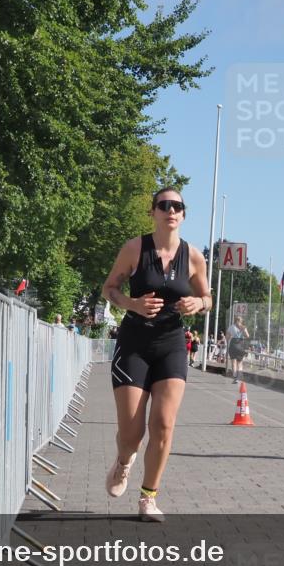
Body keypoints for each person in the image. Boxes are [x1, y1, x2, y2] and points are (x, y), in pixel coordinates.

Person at [101, 187, 212, 521]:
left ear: (183, 214)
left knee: (163, 424)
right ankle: (123, 461)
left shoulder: (194, 257)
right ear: (153, 212)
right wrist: (132, 303)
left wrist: (198, 303)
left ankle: (148, 498)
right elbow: (109, 288)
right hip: (134, 342)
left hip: (171, 343)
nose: (171, 210)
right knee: (132, 435)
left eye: (177, 206)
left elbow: (208, 298)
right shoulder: (135, 248)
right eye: (164, 205)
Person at [226, 315, 250, 384]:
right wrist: (243, 331)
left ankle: (235, 377)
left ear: (235, 320)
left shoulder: (231, 327)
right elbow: (247, 336)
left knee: (233, 362)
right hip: (240, 344)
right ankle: (238, 377)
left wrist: (231, 335)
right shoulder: (243, 327)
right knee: (239, 362)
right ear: (241, 321)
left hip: (233, 344)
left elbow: (227, 337)